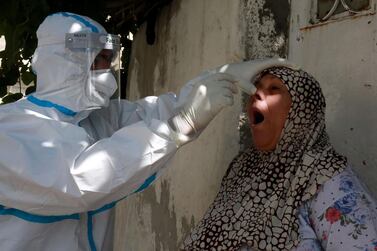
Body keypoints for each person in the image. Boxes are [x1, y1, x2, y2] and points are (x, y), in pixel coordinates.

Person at [0, 12, 245, 251]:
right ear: (69, 63)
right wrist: (176, 128)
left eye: (109, 58)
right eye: (101, 59)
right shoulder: (10, 128)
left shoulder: (95, 118)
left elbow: (161, 111)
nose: (107, 69)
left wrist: (221, 77)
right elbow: (77, 182)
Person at [182, 61, 377, 250]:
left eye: (274, 89)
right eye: (256, 87)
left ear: (302, 111)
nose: (256, 93)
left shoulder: (326, 179)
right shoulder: (242, 168)